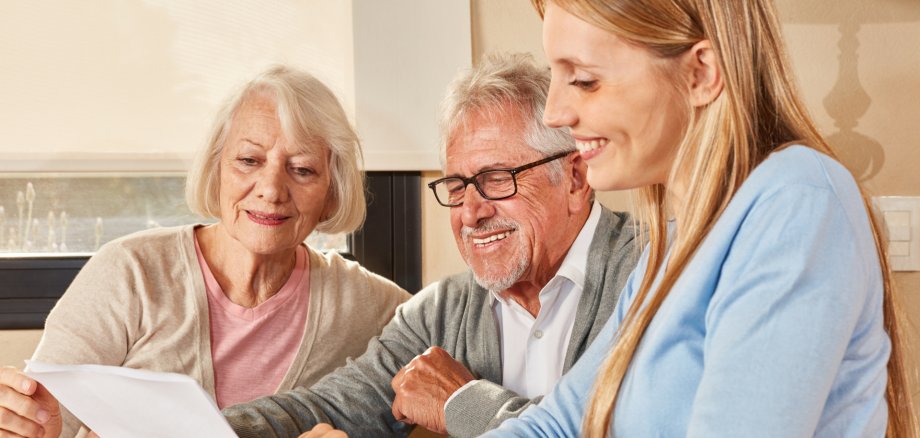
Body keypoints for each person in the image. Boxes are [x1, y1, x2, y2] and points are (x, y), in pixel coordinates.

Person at [482, 0, 917, 437]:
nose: (554, 113)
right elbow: (558, 423)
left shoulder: (797, 203)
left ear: (701, 73)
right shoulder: (669, 254)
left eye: (585, 80)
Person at [221, 53, 641, 438]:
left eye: (497, 179)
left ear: (575, 179)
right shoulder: (441, 311)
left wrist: (464, 404)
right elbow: (329, 407)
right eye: (458, 186)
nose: (471, 213)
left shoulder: (657, 271)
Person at [0, 65, 410, 438]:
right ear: (216, 170)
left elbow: (449, 386)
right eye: (249, 160)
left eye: (302, 169)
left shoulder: (373, 307)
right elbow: (43, 421)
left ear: (332, 190)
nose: (271, 189)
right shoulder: (130, 272)